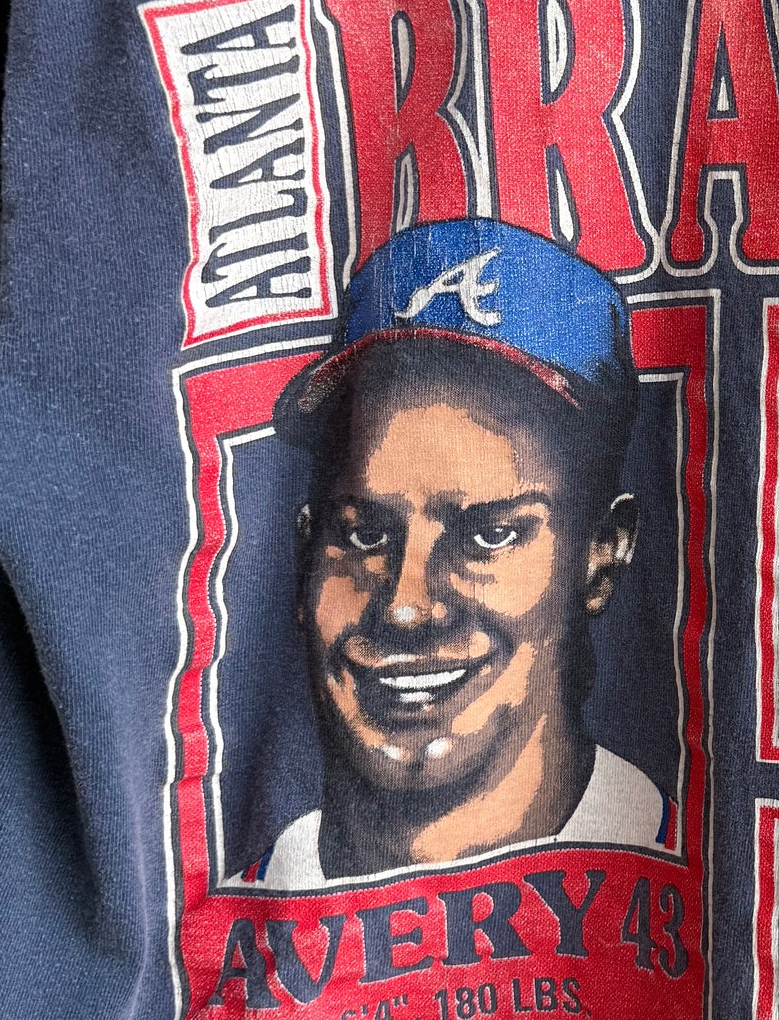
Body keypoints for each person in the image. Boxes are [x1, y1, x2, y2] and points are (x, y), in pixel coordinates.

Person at [241, 219, 675, 883]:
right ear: (305, 557)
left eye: (487, 534)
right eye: (364, 535)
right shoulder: (223, 918)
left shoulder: (703, 890)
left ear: (601, 552)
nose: (407, 606)